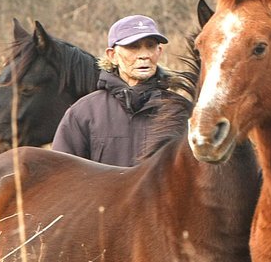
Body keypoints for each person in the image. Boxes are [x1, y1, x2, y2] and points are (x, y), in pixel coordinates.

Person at [52, 15, 191, 167]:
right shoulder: (84, 112)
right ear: (112, 56)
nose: (144, 55)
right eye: (133, 47)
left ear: (159, 51)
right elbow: (61, 175)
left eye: (150, 46)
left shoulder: (181, 111)